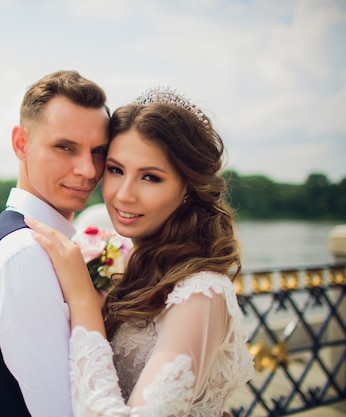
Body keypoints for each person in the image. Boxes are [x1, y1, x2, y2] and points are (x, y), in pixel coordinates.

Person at [25, 86, 255, 416]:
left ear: (188, 188)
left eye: (150, 177)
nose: (123, 195)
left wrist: (83, 302)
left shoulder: (200, 292)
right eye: (116, 170)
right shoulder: (139, 266)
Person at [0, 70, 110, 417]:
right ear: (21, 143)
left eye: (98, 151)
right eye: (65, 147)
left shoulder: (26, 244)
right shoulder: (25, 254)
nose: (88, 170)